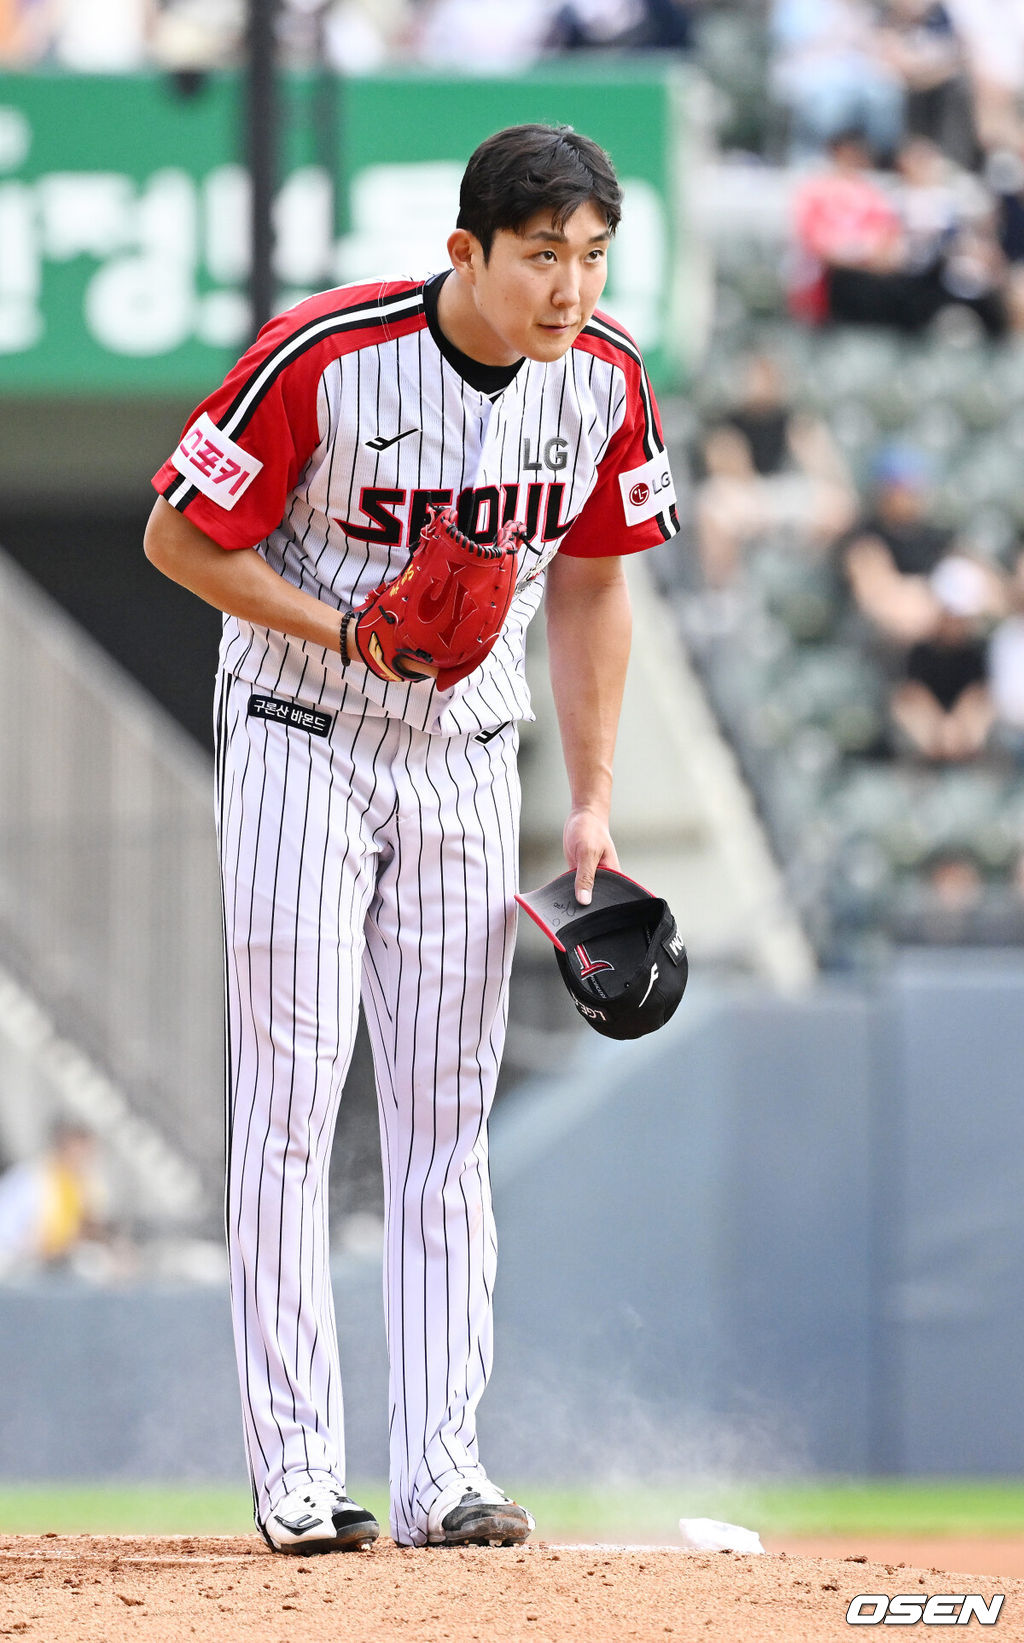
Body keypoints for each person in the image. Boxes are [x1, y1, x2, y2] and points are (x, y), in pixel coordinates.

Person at [144, 124, 679, 1554]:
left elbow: (597, 589)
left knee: (446, 1120)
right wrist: (345, 631)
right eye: (542, 253)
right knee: (298, 1097)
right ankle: (299, 1469)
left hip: (467, 758)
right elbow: (180, 540)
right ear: (469, 251)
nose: (570, 285)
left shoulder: (607, 384)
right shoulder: (324, 356)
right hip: (300, 734)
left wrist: (592, 796)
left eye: (591, 254)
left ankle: (445, 1466)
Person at [0, 1121, 104, 1280]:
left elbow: (82, 1228)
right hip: (16, 1261)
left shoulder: (81, 1185)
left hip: (53, 1262)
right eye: (75, 1152)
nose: (80, 1160)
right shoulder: (32, 1178)